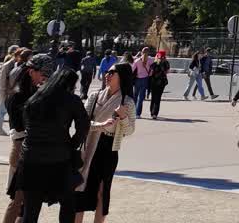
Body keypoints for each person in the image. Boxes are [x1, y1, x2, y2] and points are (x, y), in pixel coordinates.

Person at [13, 66, 89, 223]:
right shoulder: (71, 99)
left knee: (31, 209)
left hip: (31, 157)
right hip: (59, 158)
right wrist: (72, 144)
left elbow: (26, 124)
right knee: (67, 205)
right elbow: (84, 126)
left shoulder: (36, 97)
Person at [74, 62, 136, 223]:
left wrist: (123, 117)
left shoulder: (127, 101)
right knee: (81, 187)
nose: (107, 75)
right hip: (90, 146)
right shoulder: (95, 96)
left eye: (112, 73)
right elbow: (83, 123)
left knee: (102, 190)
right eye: (107, 72)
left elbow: (129, 131)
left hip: (109, 148)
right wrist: (100, 125)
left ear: (121, 77)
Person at [5, 53, 54, 223]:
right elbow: (22, 127)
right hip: (21, 148)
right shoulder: (18, 95)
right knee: (18, 201)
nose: (45, 78)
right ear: (31, 71)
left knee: (27, 203)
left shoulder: (35, 92)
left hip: (33, 149)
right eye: (43, 73)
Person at [0, 46, 23, 135]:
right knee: (3, 110)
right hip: (6, 91)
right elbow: (3, 80)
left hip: (11, 91)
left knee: (6, 110)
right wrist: (5, 91)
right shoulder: (8, 64)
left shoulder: (16, 63)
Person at [147, 50, 170, 119]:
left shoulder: (154, 63)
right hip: (162, 82)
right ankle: (155, 114)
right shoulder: (166, 63)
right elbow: (167, 72)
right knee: (158, 98)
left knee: (153, 97)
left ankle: (152, 112)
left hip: (154, 82)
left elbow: (150, 73)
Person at [132, 48, 152, 118]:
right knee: (141, 98)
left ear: (141, 52)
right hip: (145, 79)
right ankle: (138, 114)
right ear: (148, 52)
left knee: (135, 96)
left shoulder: (137, 61)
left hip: (137, 79)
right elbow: (152, 70)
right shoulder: (150, 60)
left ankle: (132, 112)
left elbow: (132, 69)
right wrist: (149, 75)